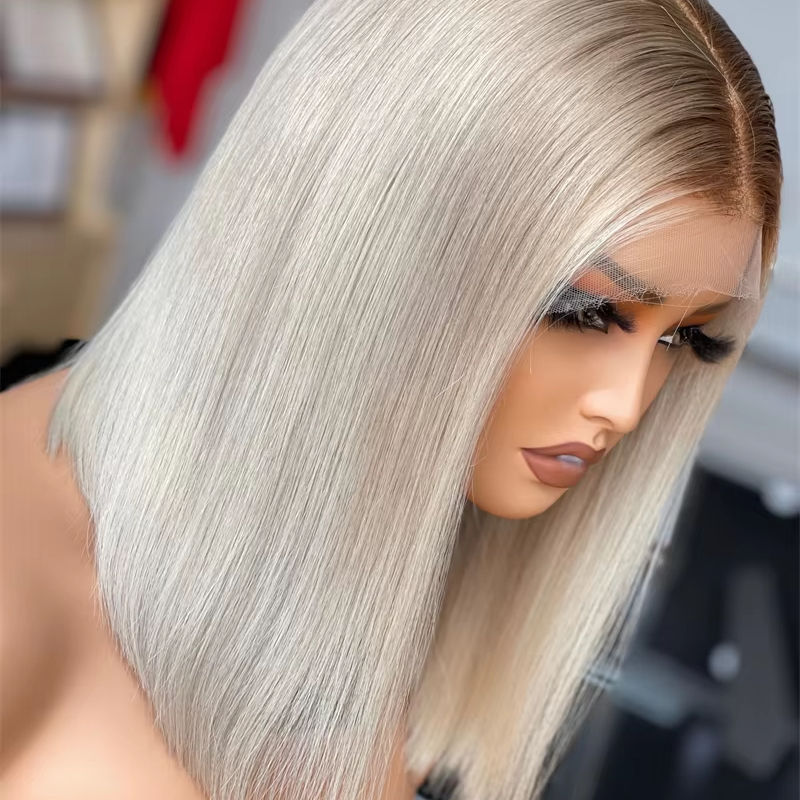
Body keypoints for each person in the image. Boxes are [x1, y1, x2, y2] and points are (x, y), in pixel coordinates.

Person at [0, 0, 782, 798]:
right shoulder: (16, 586)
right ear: (382, 237)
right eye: (581, 312)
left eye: (684, 338)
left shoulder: (378, 599)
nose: (625, 405)